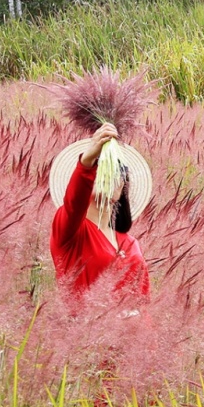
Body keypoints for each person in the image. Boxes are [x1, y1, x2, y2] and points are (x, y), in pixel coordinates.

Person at [49, 120, 153, 304]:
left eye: (115, 172)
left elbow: (142, 303)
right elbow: (74, 203)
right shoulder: (70, 233)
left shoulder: (130, 243)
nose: (107, 176)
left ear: (122, 187)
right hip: (83, 330)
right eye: (100, 169)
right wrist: (87, 161)